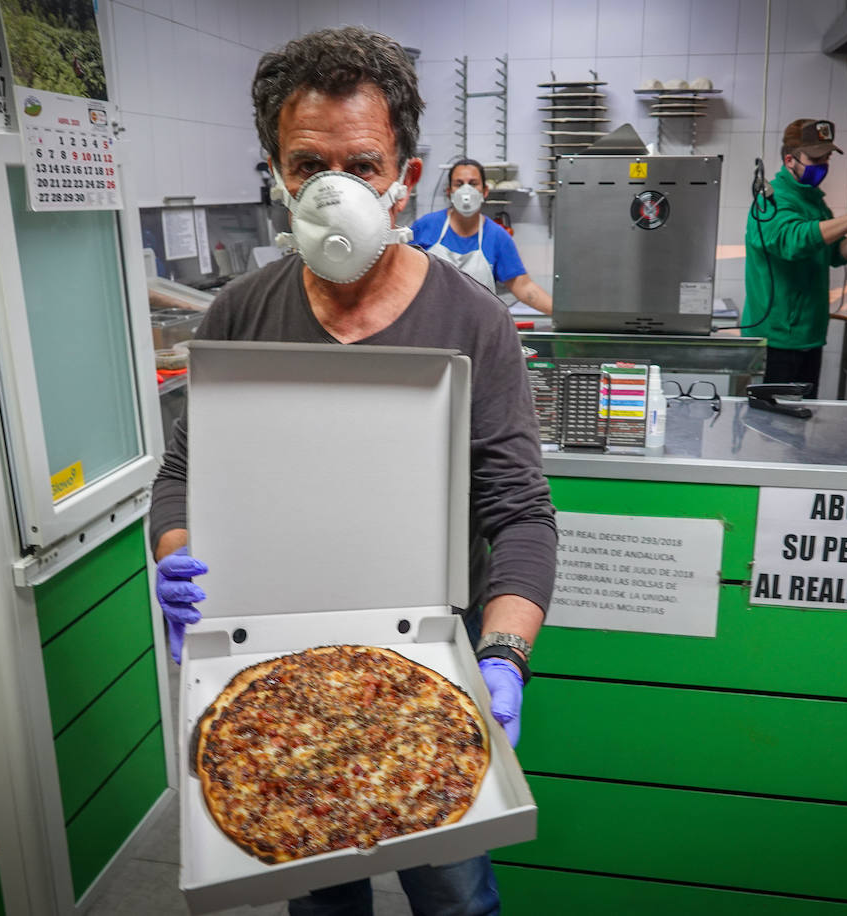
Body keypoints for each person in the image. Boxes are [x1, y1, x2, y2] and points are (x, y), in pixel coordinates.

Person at [148, 27, 557, 916]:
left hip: (431, 671)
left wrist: (505, 655)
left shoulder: (474, 323)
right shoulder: (240, 313)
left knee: (455, 897)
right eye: (308, 164)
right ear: (276, 172)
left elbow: (522, 515)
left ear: (407, 175)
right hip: (280, 677)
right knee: (320, 897)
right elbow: (181, 475)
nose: (336, 192)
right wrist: (180, 555)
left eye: (364, 166)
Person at [743, 118, 847, 394]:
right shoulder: (771, 201)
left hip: (809, 335)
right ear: (790, 160)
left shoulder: (814, 201)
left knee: (800, 422)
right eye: (815, 159)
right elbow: (794, 241)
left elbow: (837, 254)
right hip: (776, 340)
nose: (822, 166)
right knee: (770, 429)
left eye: (827, 158)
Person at [410, 158, 554, 315]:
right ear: (449, 192)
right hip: (432, 324)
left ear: (485, 191)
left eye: (473, 184)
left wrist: (561, 315)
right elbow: (401, 271)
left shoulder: (497, 236)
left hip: (478, 328)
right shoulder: (426, 226)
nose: (466, 190)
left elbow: (523, 286)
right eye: (459, 184)